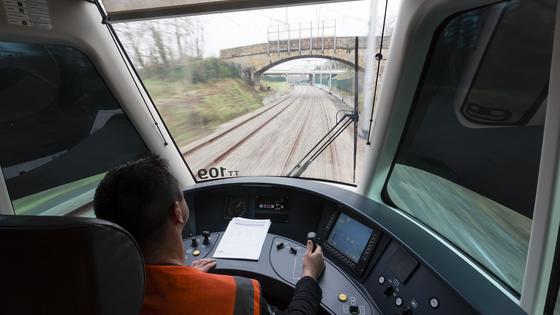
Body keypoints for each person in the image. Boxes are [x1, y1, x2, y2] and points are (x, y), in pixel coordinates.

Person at [93, 154, 325, 315]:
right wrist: (309, 277)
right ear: (177, 212)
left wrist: (184, 278)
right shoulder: (237, 296)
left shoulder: (94, 293)